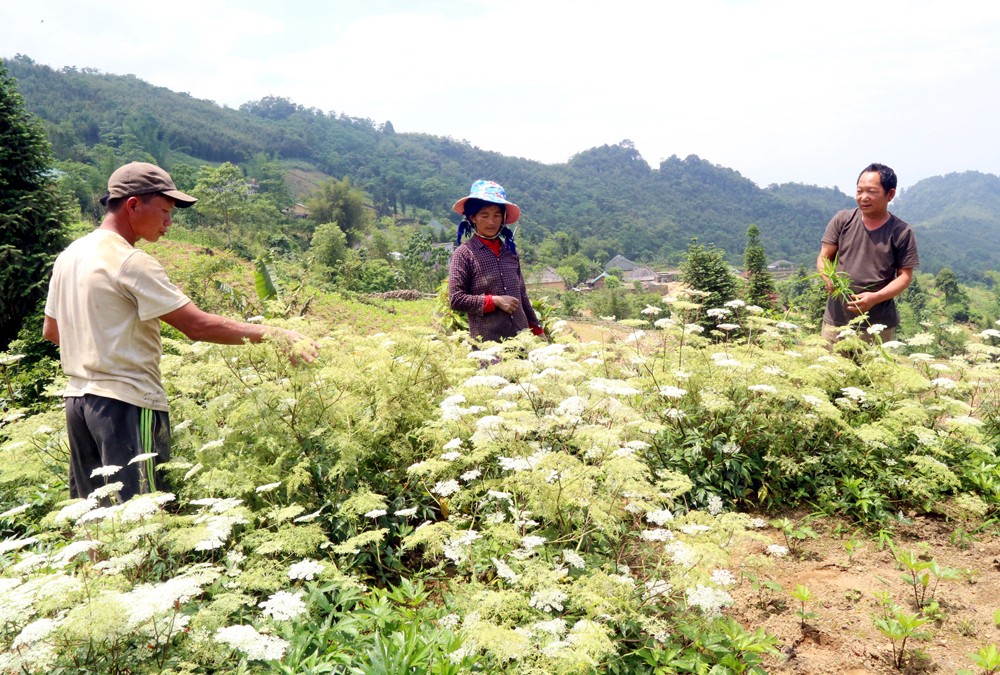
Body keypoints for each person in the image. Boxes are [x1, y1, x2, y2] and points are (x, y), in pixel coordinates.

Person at [43, 162, 319, 502]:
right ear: (133, 205)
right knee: (143, 512)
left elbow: (52, 330)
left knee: (97, 517)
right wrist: (279, 334)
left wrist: (100, 344)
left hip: (77, 403)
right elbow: (196, 326)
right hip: (126, 403)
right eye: (164, 211)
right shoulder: (129, 261)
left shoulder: (70, 256)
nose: (169, 222)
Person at [817, 163, 919, 344]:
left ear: (890, 194)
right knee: (830, 362)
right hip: (836, 321)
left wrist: (875, 298)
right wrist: (828, 278)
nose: (863, 197)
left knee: (872, 364)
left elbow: (904, 277)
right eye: (859, 191)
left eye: (871, 191)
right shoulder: (843, 220)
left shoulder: (901, 231)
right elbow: (824, 257)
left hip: (877, 326)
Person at [448, 180, 545, 343]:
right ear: (473, 217)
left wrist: (538, 331)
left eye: (497, 215)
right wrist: (495, 301)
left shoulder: (510, 253)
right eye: (484, 215)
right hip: (488, 346)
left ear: (503, 218)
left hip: (523, 341)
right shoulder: (464, 254)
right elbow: (456, 299)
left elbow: (521, 295)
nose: (491, 222)